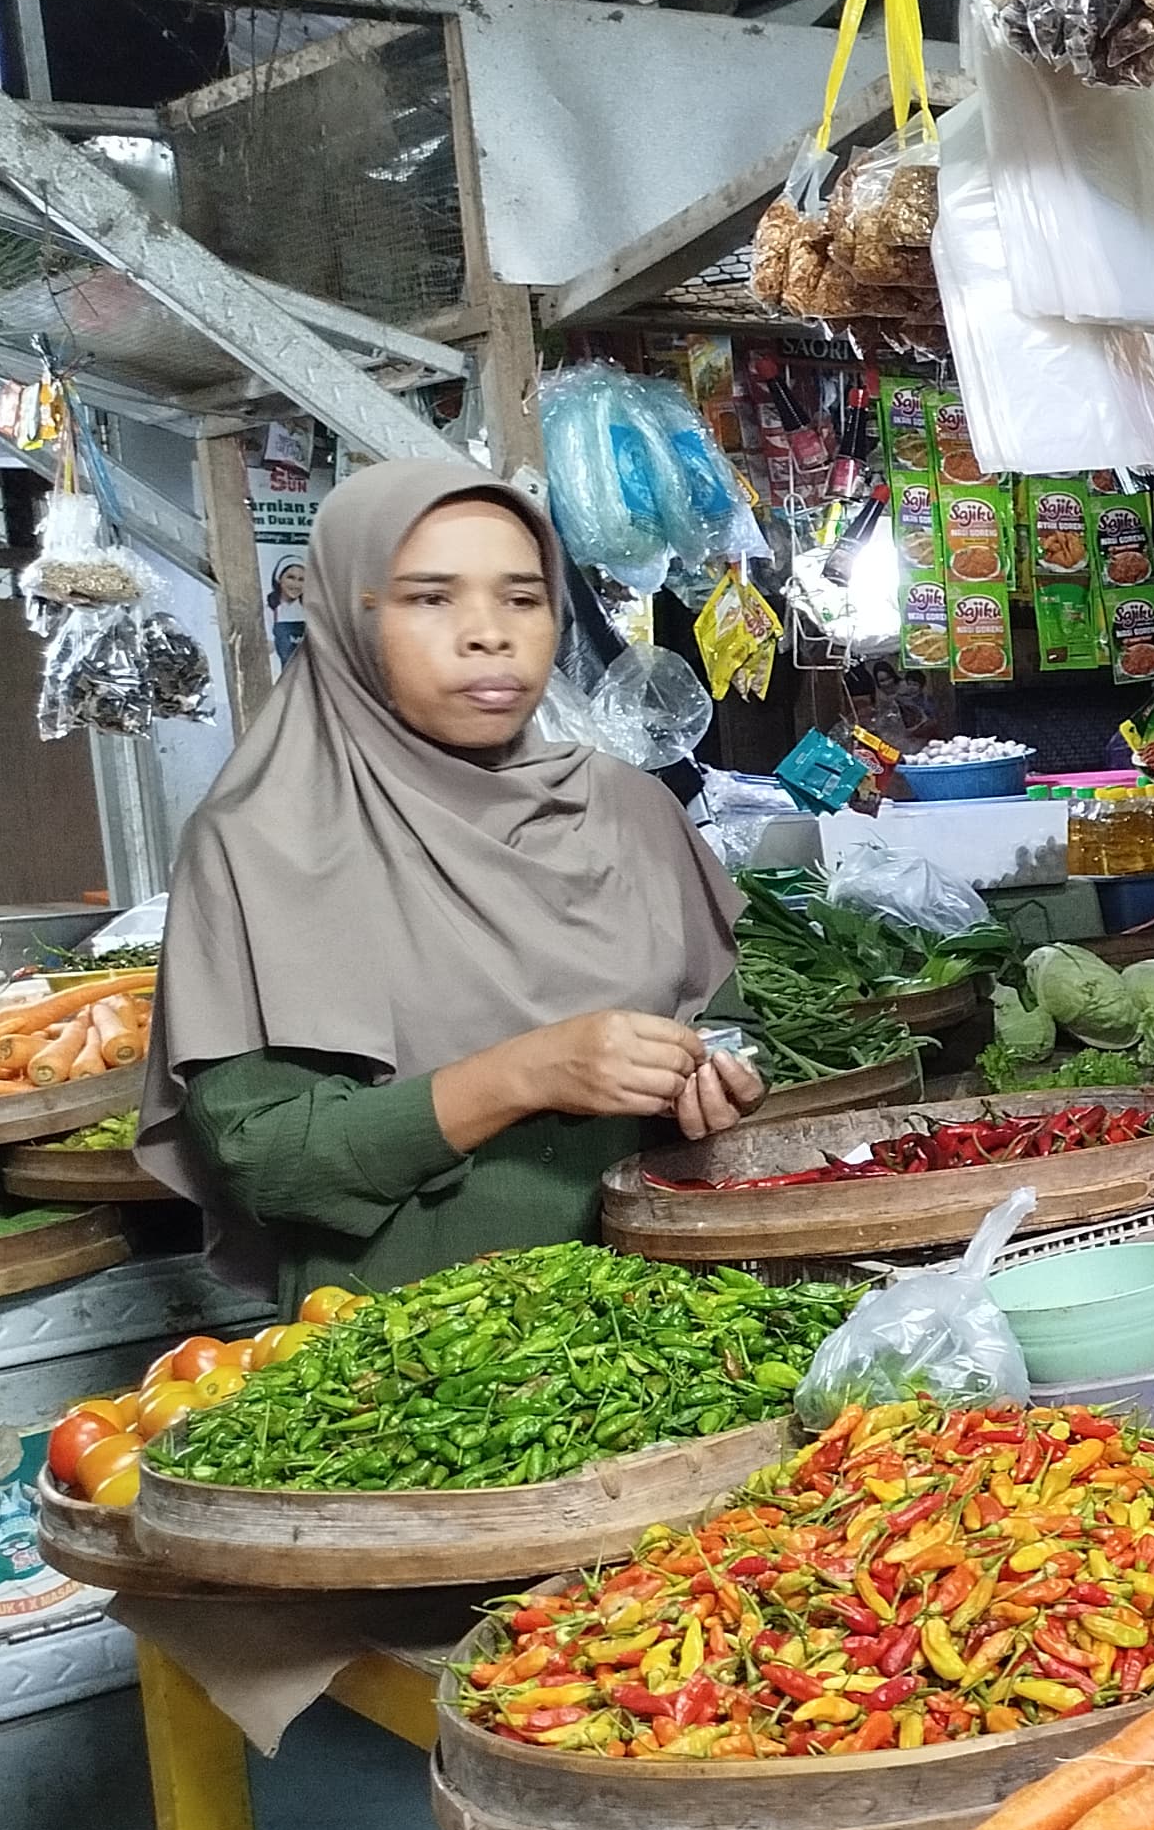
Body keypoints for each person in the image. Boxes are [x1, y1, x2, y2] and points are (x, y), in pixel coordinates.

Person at [141, 460, 759, 1298]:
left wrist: (715, 1081)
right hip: (411, 1364)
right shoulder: (261, 845)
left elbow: (723, 1027)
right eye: (431, 598)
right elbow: (270, 1164)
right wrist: (527, 1073)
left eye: (522, 598)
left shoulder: (631, 810)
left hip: (675, 1318)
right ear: (345, 615)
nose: (488, 633)